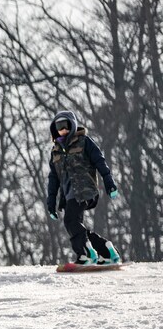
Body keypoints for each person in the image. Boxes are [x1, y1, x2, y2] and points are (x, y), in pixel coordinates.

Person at [45, 111, 121, 265]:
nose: (63, 130)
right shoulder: (55, 151)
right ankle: (106, 250)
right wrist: (51, 203)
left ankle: (85, 253)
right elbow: (53, 179)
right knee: (76, 226)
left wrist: (109, 182)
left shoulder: (84, 142)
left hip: (85, 190)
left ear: (72, 125)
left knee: (70, 220)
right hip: (68, 195)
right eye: (59, 127)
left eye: (66, 125)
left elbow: (100, 161)